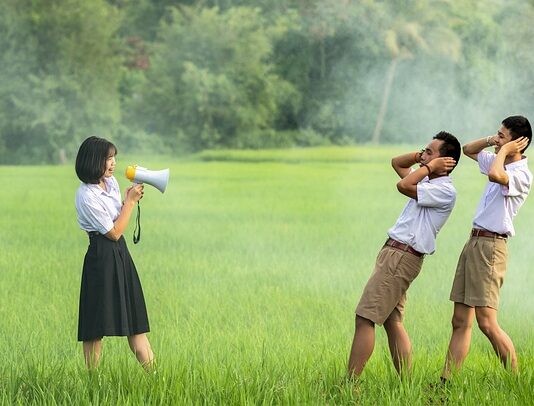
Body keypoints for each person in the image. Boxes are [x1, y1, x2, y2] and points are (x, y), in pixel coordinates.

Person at [347, 131, 461, 379]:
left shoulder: (444, 190)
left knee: (365, 318)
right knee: (392, 321)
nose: (423, 156)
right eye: (424, 151)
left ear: (446, 162)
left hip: (401, 256)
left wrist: (428, 166)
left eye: (430, 152)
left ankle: (349, 384)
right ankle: (406, 383)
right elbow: (397, 163)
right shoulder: (428, 182)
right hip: (397, 254)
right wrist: (424, 158)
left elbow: (403, 185)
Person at [441, 116, 532, 380]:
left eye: (502, 135)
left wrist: (504, 150)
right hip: (474, 242)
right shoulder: (498, 159)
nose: (496, 140)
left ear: (517, 144)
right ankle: (446, 382)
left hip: (492, 247)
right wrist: (495, 141)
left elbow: (495, 175)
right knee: (460, 320)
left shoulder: (522, 175)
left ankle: (516, 381)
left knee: (487, 322)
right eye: (497, 134)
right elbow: (468, 150)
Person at [75, 136, 154, 370]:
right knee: (94, 325)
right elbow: (115, 232)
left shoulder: (110, 184)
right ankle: (93, 381)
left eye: (113, 158)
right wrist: (129, 203)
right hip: (101, 257)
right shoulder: (86, 196)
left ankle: (156, 377)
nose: (113, 163)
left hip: (121, 255)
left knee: (135, 320)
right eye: (108, 158)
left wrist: (128, 200)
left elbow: (118, 219)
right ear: (93, 161)